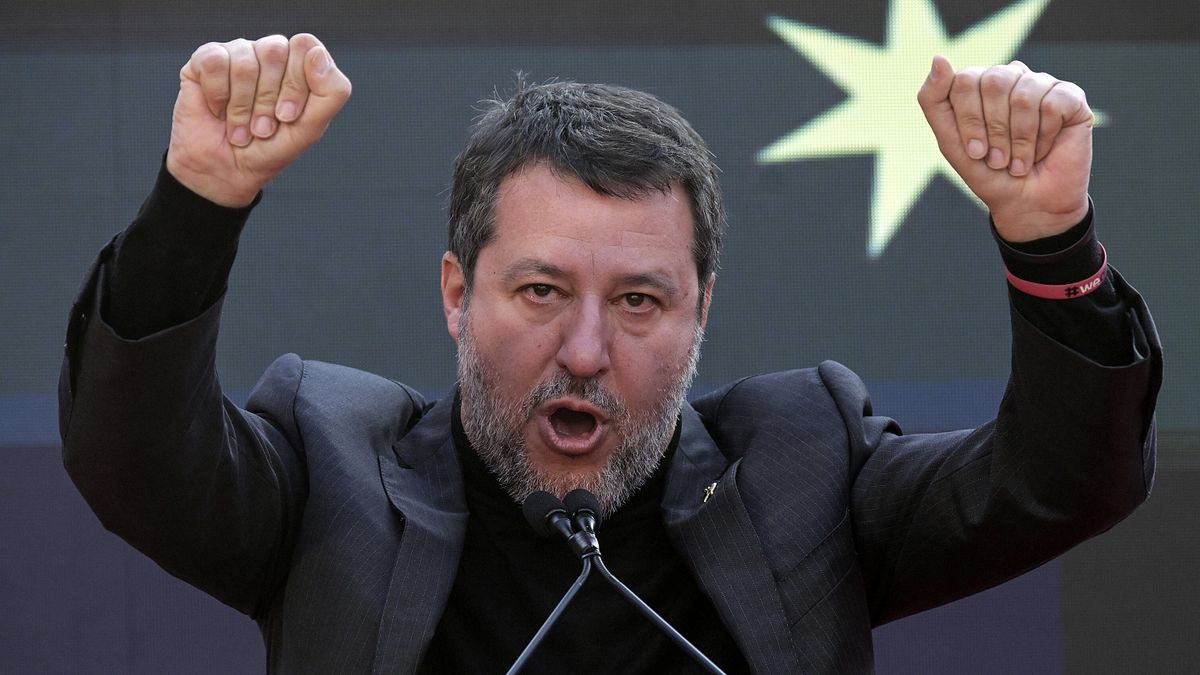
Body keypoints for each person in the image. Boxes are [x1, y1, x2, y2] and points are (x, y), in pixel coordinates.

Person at [60, 33, 1161, 673]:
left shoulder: (805, 469)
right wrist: (197, 205)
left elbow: (1071, 479)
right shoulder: (330, 464)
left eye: (639, 301)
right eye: (541, 291)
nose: (584, 351)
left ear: (700, 311)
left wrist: (1049, 243)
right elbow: (132, 460)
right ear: (458, 293)